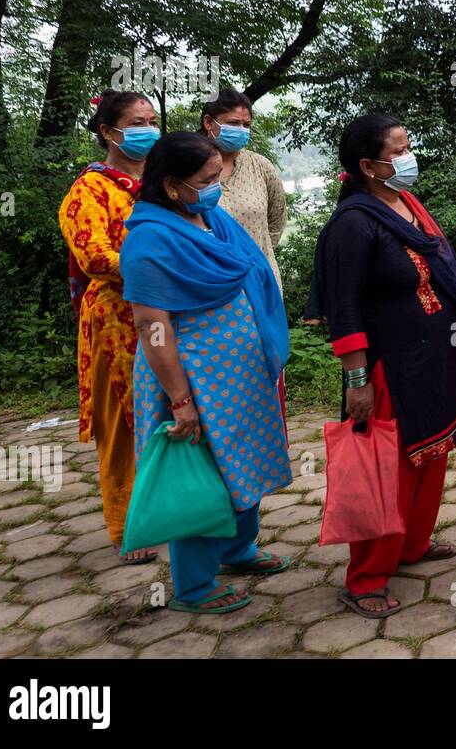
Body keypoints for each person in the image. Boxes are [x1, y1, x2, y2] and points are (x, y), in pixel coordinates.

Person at [306, 114, 456, 617]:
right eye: (397, 150)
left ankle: (411, 545)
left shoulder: (407, 204)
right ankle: (365, 579)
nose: (408, 158)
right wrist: (357, 379)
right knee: (390, 470)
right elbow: (344, 308)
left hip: (434, 356)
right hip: (389, 367)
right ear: (368, 165)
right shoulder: (353, 225)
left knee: (431, 455)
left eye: (409, 146)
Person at [121, 132, 293, 613]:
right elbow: (152, 326)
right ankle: (193, 587)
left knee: (243, 460)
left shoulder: (210, 217)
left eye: (218, 176)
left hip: (241, 378)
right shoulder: (149, 240)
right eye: (207, 180)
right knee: (203, 473)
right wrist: (180, 400)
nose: (218, 187)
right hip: (194, 381)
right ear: (172, 186)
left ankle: (238, 551)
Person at [57, 89, 160, 565]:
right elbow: (95, 255)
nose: (148, 129)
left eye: (152, 120)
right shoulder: (89, 191)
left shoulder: (162, 181)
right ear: (108, 132)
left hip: (166, 313)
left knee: (168, 412)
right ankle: (127, 526)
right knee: (121, 420)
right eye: (137, 122)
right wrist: (161, 263)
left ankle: (173, 509)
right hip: (116, 319)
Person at [199, 89, 288, 290]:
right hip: (212, 282)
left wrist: (254, 253)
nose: (240, 130)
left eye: (246, 125)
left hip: (261, 279)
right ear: (208, 122)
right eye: (232, 123)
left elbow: (277, 219)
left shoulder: (261, 166)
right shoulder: (189, 168)